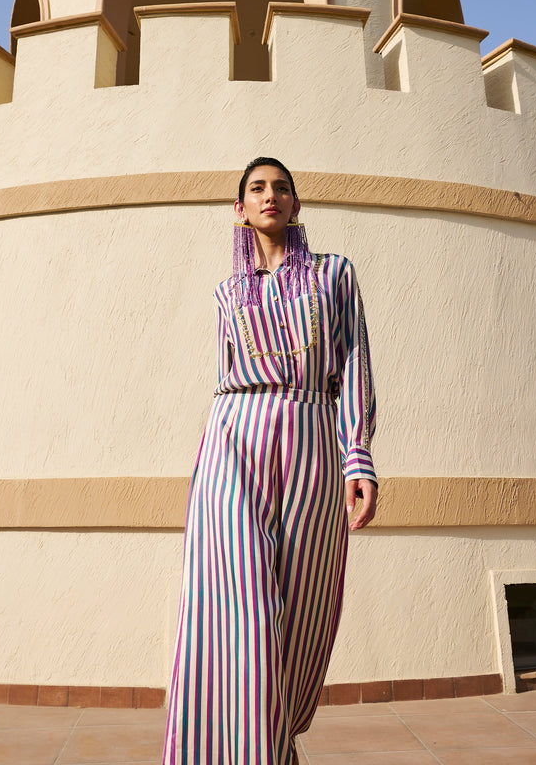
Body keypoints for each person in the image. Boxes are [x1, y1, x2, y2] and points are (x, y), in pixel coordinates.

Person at [162, 157, 378, 765]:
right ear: (239, 210)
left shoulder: (335, 275)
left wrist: (356, 456)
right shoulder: (226, 293)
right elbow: (226, 372)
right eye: (257, 189)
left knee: (303, 613)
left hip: (311, 439)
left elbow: (354, 361)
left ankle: (273, 744)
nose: (270, 196)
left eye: (281, 188)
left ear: (296, 205)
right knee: (237, 605)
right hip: (233, 441)